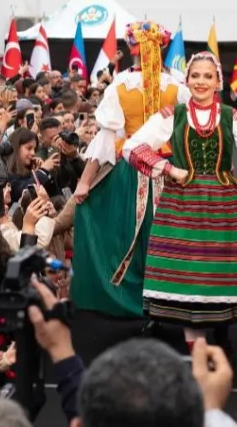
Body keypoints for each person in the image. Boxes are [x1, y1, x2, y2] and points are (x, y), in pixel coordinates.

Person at [122, 52, 237, 355]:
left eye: (208, 76)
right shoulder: (172, 114)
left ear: (218, 82)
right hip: (182, 203)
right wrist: (169, 168)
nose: (201, 81)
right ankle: (197, 350)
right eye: (195, 76)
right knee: (187, 278)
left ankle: (221, 334)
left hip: (224, 204)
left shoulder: (231, 117)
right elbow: (132, 147)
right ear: (187, 80)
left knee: (218, 274)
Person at [71, 22, 191, 319]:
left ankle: (138, 299)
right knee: (169, 236)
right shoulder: (177, 86)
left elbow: (106, 137)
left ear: (131, 49)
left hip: (134, 169)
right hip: (167, 169)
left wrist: (85, 182)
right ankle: (168, 299)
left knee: (127, 237)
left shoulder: (121, 86)